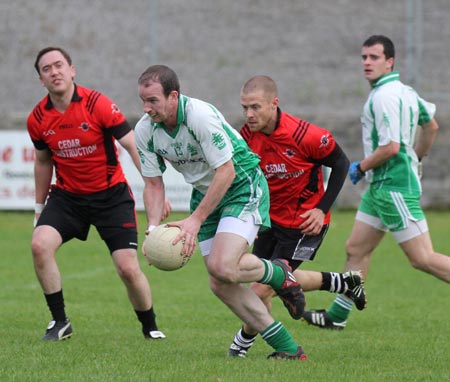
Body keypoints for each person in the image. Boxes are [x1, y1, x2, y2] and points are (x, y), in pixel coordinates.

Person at [135, 65, 307, 360]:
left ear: (173, 96)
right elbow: (152, 183)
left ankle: (278, 273)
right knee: (220, 283)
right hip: (206, 194)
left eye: (153, 100)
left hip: (242, 185)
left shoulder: (199, 116)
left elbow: (226, 172)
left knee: (224, 266)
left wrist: (195, 220)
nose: (147, 108)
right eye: (143, 101)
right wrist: (152, 231)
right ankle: (288, 348)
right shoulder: (145, 131)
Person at [303, 34, 450, 329]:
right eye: (364, 57)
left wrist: (361, 166)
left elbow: (391, 147)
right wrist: (417, 158)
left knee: (422, 258)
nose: (367, 63)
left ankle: (337, 315)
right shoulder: (405, 91)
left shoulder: (383, 97)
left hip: (392, 187)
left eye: (374, 58)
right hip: (380, 189)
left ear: (389, 61)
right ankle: (337, 317)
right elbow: (431, 125)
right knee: (356, 249)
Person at [27, 46, 165, 341]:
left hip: (111, 196)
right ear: (41, 79)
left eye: (59, 65)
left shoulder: (97, 104)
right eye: (47, 69)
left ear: (72, 70)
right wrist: (39, 209)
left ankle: (150, 326)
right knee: (39, 245)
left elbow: (131, 145)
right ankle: (60, 322)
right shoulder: (38, 118)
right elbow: (42, 162)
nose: (55, 72)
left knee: (127, 268)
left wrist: (154, 188)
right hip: (68, 198)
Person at [227, 75, 366, 357]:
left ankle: (241, 347)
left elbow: (340, 163)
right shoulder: (244, 137)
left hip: (304, 224)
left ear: (274, 104)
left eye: (255, 107)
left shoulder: (306, 135)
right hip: (269, 221)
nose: (249, 115)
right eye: (244, 108)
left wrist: (321, 209)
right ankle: (343, 282)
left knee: (262, 287)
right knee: (266, 277)